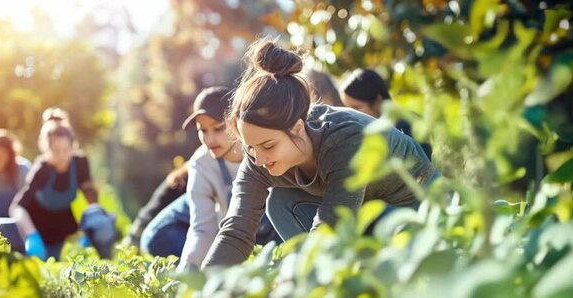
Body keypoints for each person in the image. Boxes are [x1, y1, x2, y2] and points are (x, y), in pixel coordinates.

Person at [201, 39, 438, 267]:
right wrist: (203, 292)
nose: (258, 159)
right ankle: (339, 281)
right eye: (249, 147)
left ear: (297, 127)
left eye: (268, 146)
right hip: (362, 208)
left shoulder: (344, 140)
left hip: (415, 207)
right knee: (280, 203)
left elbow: (330, 225)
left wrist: (294, 279)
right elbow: (236, 231)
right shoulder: (257, 156)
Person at [140, 86, 280, 265]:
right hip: (234, 235)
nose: (209, 139)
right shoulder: (202, 163)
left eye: (218, 128)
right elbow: (202, 228)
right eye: (203, 130)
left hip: (272, 228)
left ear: (237, 121)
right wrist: (189, 269)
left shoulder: (262, 148)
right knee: (156, 240)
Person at [10, 121, 102, 260]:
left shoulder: (80, 163)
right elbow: (17, 207)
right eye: (55, 151)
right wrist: (31, 235)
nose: (61, 156)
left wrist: (92, 222)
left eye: (66, 150)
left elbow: (90, 195)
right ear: (47, 150)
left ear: (73, 147)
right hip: (39, 231)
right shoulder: (42, 170)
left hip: (65, 228)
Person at [340, 68, 431, 158]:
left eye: (356, 107)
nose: (352, 114)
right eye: (348, 108)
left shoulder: (407, 126)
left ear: (377, 101)